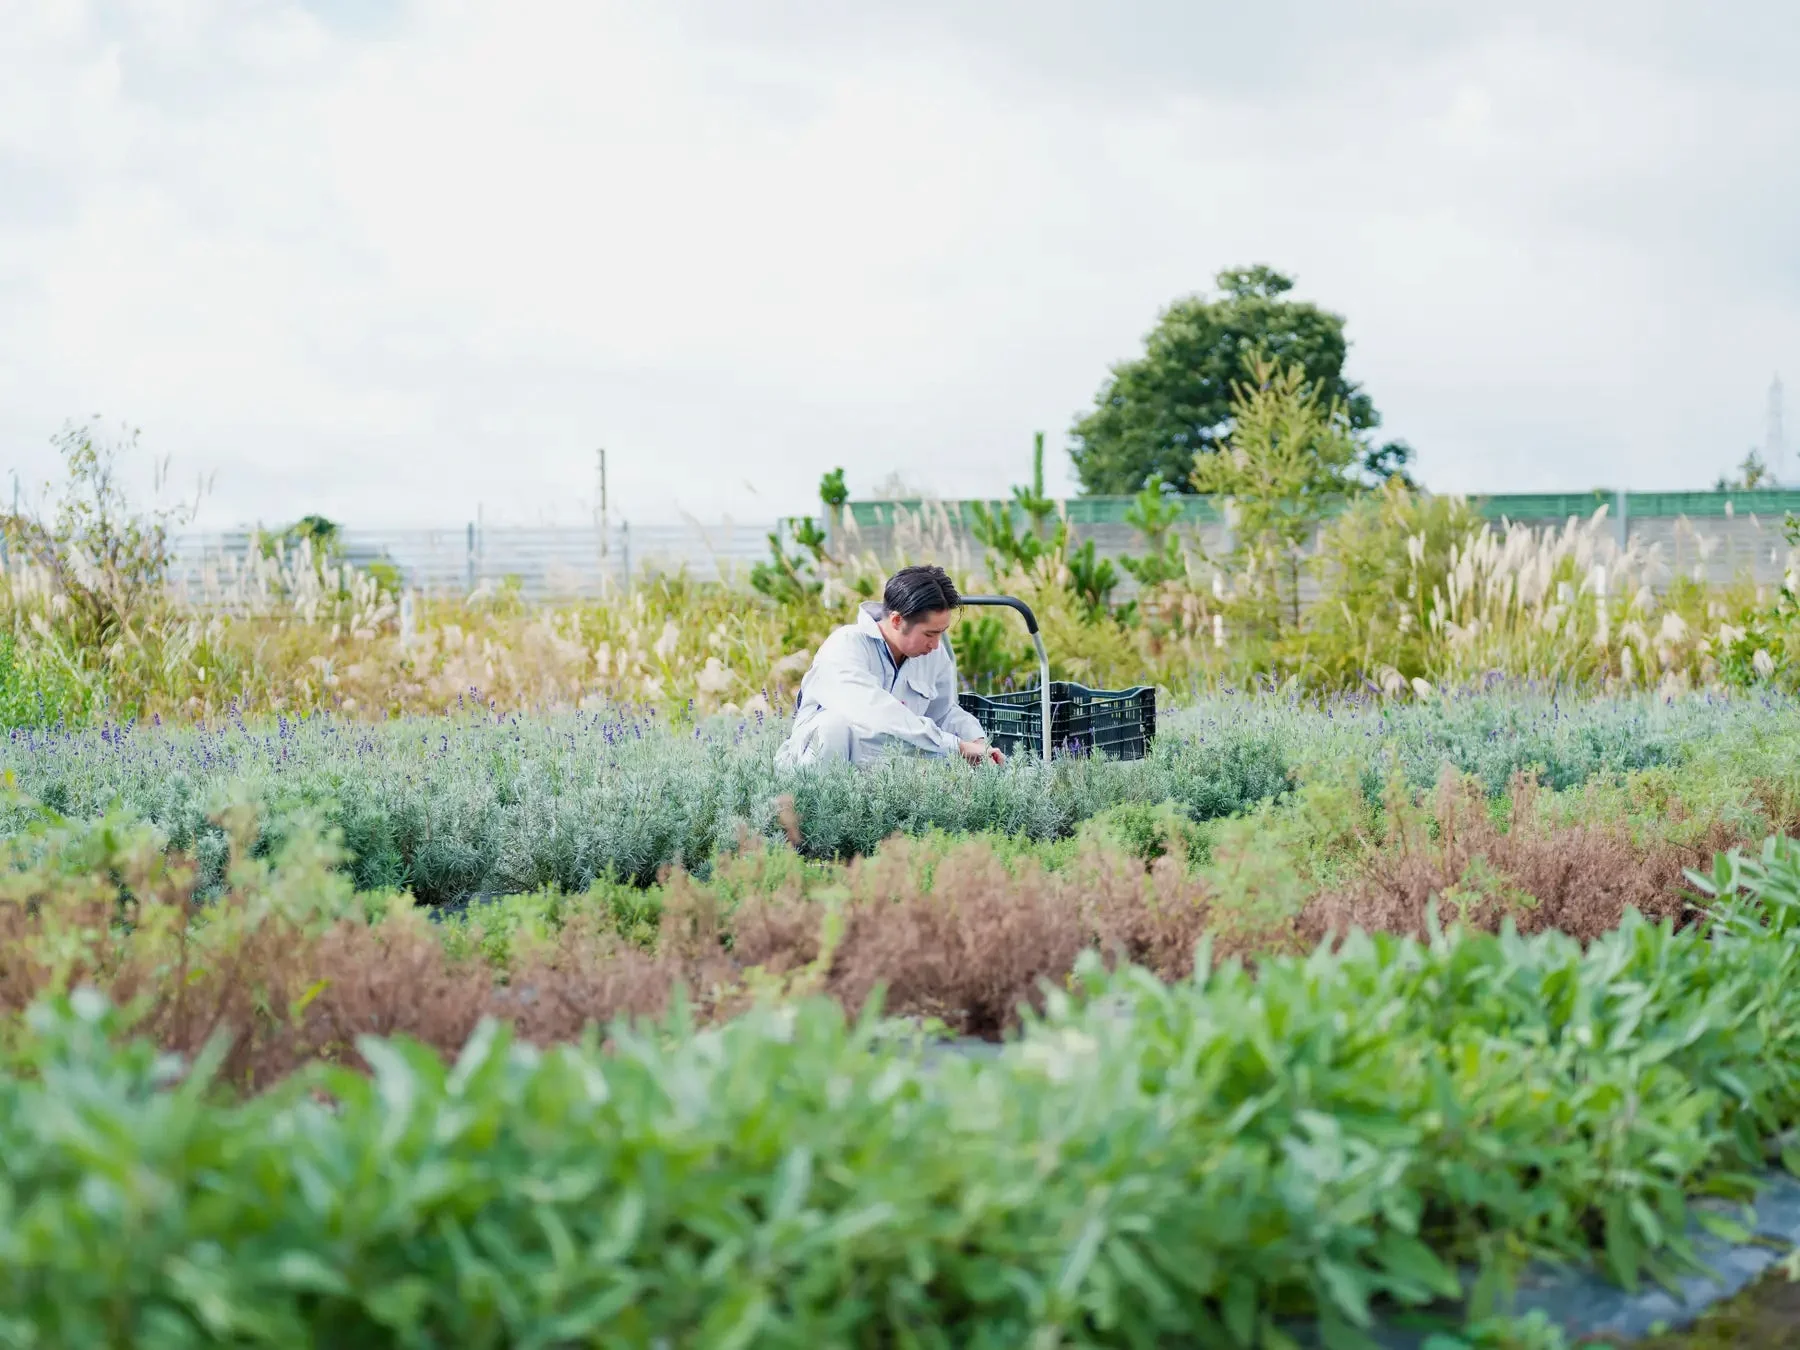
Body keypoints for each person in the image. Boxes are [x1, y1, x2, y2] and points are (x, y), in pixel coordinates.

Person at [775, 564, 1006, 769]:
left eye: (941, 634)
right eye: (929, 634)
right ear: (897, 620)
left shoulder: (933, 654)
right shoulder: (846, 646)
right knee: (832, 727)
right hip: (820, 775)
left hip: (885, 781)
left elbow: (943, 712)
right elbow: (876, 714)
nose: (936, 645)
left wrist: (975, 740)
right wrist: (956, 746)